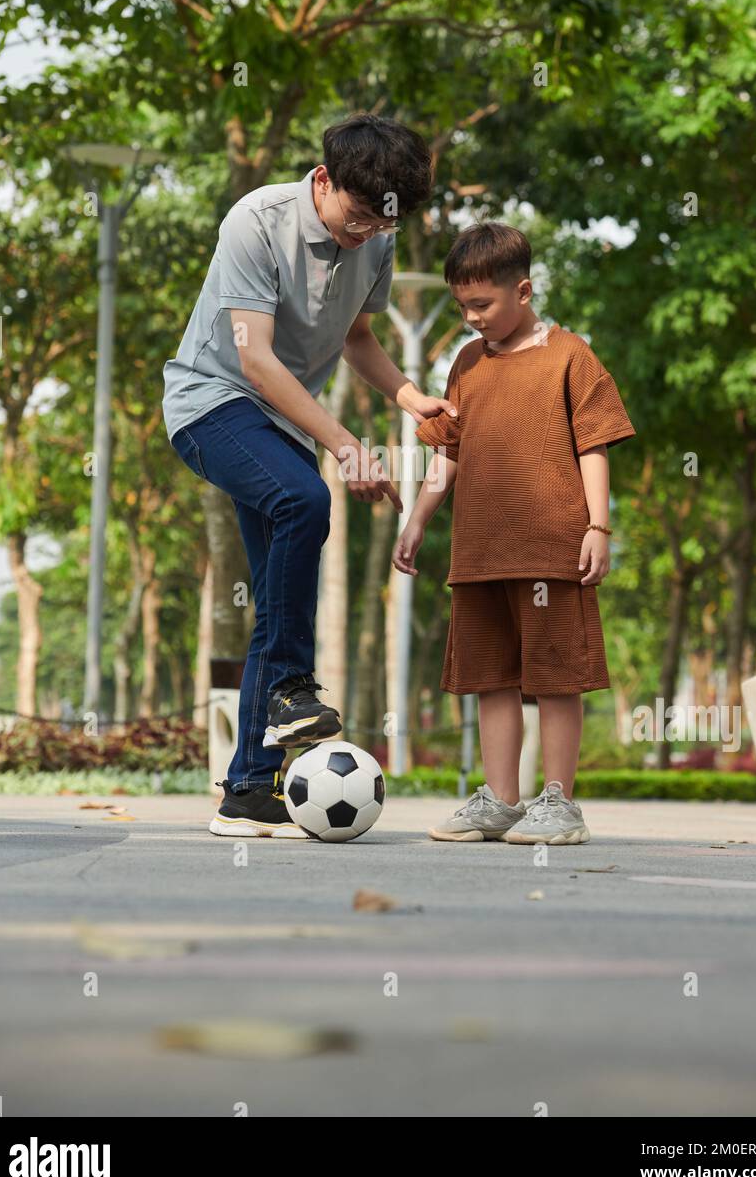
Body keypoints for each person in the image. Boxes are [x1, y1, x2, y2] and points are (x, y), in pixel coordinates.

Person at [163, 115, 455, 837]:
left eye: (380, 226)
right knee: (304, 498)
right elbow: (255, 359)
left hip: (282, 424)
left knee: (279, 595)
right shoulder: (256, 221)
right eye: (356, 219)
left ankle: (247, 790)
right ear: (323, 181)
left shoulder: (377, 238)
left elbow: (357, 336)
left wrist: (411, 397)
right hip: (211, 402)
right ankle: (293, 688)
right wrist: (347, 447)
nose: (365, 236)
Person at [393, 221, 636, 845]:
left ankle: (559, 803)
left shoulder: (571, 356)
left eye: (482, 305)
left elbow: (594, 447)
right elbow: (448, 455)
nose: (471, 318)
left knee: (556, 676)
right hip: (477, 552)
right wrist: (417, 520)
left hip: (553, 549)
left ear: (523, 291)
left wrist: (599, 525)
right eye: (462, 306)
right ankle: (500, 800)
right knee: (489, 675)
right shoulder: (467, 364)